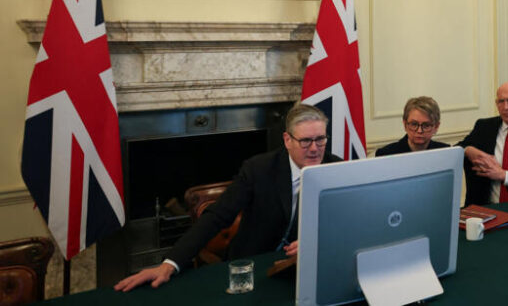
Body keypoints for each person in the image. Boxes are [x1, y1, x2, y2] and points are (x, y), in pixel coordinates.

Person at [114, 103, 341, 292]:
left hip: (303, 268)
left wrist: (317, 243)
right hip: (253, 266)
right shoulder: (258, 169)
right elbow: (216, 216)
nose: (314, 149)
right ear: (287, 139)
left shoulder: (337, 167)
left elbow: (347, 221)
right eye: (305, 141)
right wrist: (169, 264)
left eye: (320, 139)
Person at [375, 96, 449, 156]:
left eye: (426, 125)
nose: (419, 131)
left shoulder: (446, 152)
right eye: (414, 124)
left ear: (436, 127)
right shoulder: (386, 154)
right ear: (405, 124)